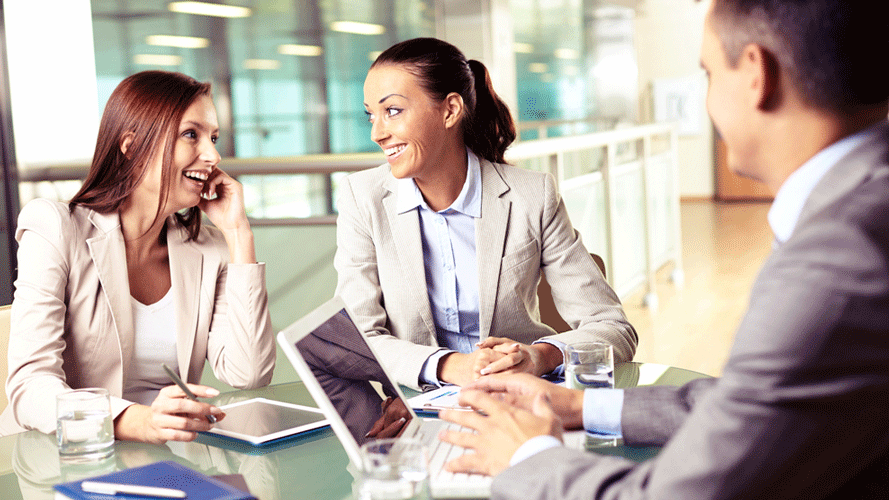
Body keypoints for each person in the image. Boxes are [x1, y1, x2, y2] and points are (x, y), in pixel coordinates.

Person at [438, 1, 889, 498]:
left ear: (758, 75)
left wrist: (526, 456)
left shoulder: (840, 256)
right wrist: (578, 407)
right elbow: (755, 404)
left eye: (710, 74)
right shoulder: (864, 207)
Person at [335, 37, 637, 390]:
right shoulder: (362, 198)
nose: (377, 133)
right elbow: (355, 339)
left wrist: (540, 356)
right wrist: (450, 366)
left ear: (450, 110)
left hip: (519, 401)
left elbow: (614, 329)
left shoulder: (532, 196)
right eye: (371, 114)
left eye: (393, 111)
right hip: (416, 410)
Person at [1, 71, 276, 443]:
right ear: (131, 145)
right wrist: (138, 422)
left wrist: (239, 235)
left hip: (162, 457)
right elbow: (29, 387)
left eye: (213, 138)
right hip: (58, 455)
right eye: (191, 134)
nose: (213, 155)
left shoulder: (209, 248)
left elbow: (249, 373)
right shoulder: (55, 227)